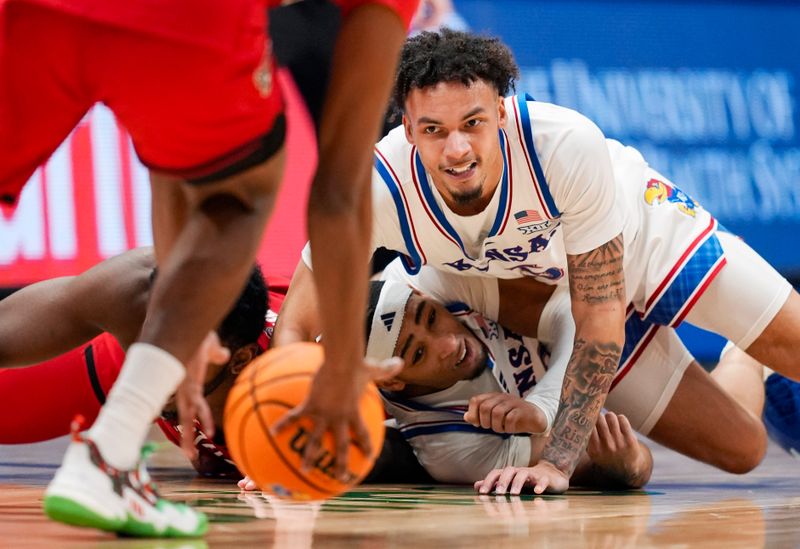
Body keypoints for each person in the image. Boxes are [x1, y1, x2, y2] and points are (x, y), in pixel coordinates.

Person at [275, 29, 800, 495]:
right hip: (562, 307)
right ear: (408, 131)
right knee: (744, 451)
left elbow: (598, 320)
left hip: (646, 242)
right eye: (433, 129)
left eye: (473, 122)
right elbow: (295, 325)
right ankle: (744, 357)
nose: (456, 148)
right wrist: (282, 445)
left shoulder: (564, 145)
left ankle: (754, 340)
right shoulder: (376, 192)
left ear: (501, 113)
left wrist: (558, 457)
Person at [1, 0, 417, 536]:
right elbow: (338, 194)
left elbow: (170, 160)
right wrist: (338, 369)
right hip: (192, 23)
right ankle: (113, 449)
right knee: (237, 201)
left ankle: (121, 438)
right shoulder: (277, 326)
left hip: (44, 14)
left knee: (204, 183)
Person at [361, 275, 768, 493]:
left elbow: (573, 307)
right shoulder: (454, 448)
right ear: (394, 383)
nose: (450, 344)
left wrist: (541, 405)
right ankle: (745, 353)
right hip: (605, 355)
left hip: (589, 295)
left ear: (418, 295)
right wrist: (625, 466)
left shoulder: (428, 277)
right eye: (419, 354)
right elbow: (618, 458)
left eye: (432, 318)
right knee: (745, 448)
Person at [0, 247, 283, 478]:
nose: (166, 353)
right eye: (160, 341)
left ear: (240, 359)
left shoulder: (301, 374)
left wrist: (291, 470)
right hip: (116, 364)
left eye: (185, 349)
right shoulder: (135, 291)